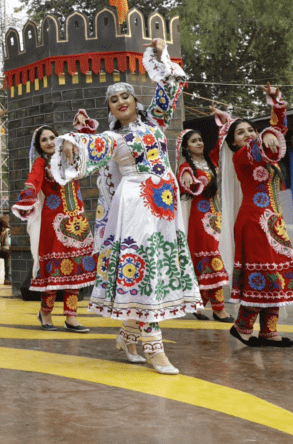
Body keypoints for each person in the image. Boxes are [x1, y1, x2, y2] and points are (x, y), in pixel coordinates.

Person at [54, 38, 200, 375]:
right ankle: (153, 346)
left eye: (125, 96)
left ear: (137, 101)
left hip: (164, 203)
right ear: (110, 109)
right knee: (144, 267)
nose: (120, 101)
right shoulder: (115, 139)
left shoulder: (155, 124)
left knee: (159, 267)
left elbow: (172, 84)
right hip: (136, 202)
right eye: (114, 99)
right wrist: (72, 143)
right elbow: (91, 144)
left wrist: (160, 56)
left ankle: (128, 334)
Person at [214, 85, 293, 347]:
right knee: (263, 275)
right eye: (240, 132)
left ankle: (269, 330)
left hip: (272, 223)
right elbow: (270, 137)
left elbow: (277, 134)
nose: (247, 134)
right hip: (254, 222)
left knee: (276, 275)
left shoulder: (265, 154)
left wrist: (276, 102)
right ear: (233, 142)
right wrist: (267, 133)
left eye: (250, 130)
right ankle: (243, 326)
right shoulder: (243, 156)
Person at [11, 117, 97, 333]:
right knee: (53, 270)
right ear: (38, 145)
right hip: (54, 224)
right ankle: (46, 312)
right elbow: (33, 180)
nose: (49, 142)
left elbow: (91, 147)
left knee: (76, 269)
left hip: (78, 220)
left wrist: (79, 129)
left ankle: (71, 317)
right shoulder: (41, 163)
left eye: (52, 137)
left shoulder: (71, 155)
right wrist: (28, 196)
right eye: (44, 140)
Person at [177, 129, 232, 322]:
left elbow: (221, 145)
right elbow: (184, 180)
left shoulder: (211, 163)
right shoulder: (186, 167)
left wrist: (224, 123)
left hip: (217, 217)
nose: (199, 143)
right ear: (186, 147)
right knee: (212, 261)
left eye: (200, 139)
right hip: (201, 220)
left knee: (212, 261)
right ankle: (219, 309)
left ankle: (198, 304)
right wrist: (185, 176)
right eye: (194, 141)